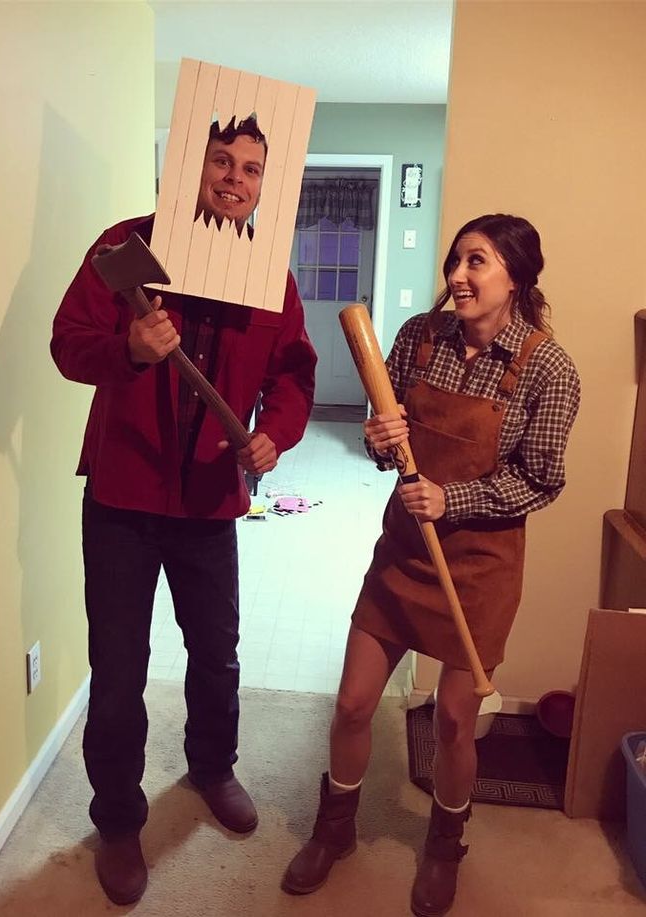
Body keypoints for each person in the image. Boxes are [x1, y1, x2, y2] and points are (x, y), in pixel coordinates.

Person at [51, 115, 316, 906]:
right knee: (121, 667)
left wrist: (274, 432)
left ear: (265, 185)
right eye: (221, 162)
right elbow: (69, 342)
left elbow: (295, 375)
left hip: (210, 500)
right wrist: (129, 347)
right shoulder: (124, 247)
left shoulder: (270, 276)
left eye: (251, 169)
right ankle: (121, 820)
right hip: (123, 497)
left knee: (218, 648)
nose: (234, 179)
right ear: (188, 170)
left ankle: (211, 764)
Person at [282, 213, 579, 916]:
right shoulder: (419, 336)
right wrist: (382, 438)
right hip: (406, 551)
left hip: (480, 565)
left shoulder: (548, 367)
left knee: (451, 720)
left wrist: (455, 497)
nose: (458, 276)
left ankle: (445, 844)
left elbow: (543, 479)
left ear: (518, 276)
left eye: (477, 262)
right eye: (455, 261)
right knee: (353, 701)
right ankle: (336, 829)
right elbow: (387, 448)